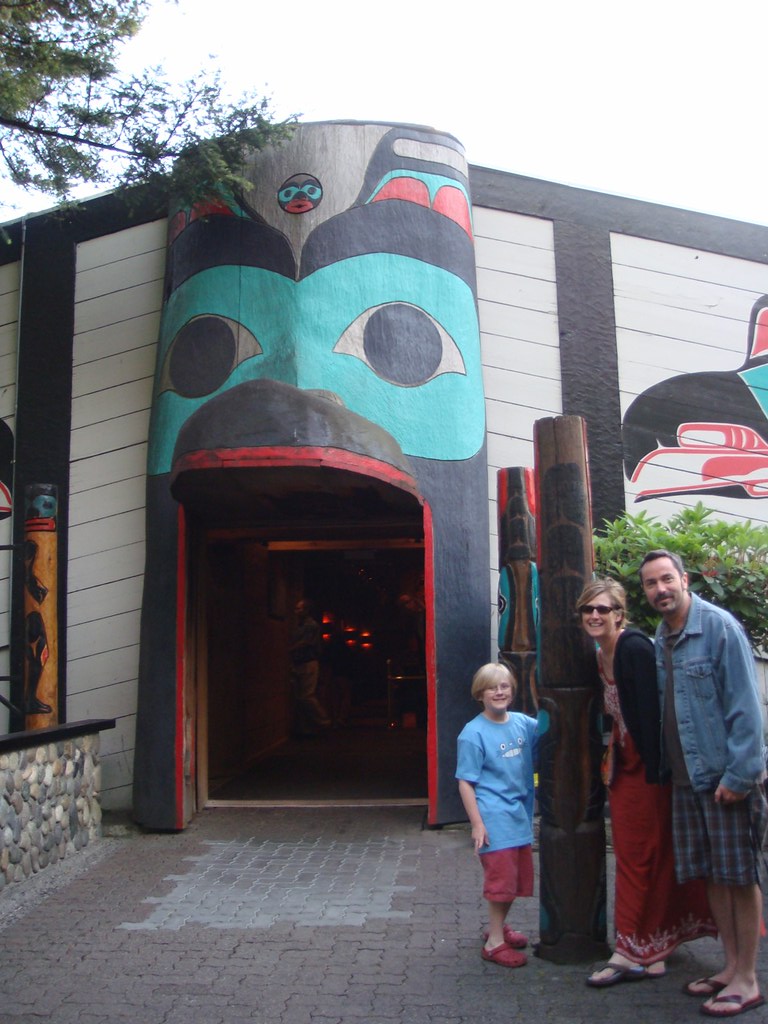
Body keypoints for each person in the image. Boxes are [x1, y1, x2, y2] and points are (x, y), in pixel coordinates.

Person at [639, 550, 767, 1018]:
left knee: (740, 876)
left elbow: (747, 709)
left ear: (685, 579)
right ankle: (730, 967)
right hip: (687, 778)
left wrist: (741, 775)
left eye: (666, 579)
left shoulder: (719, 628)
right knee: (714, 876)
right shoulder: (662, 636)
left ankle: (749, 979)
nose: (660, 590)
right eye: (651, 584)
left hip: (724, 777)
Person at [577, 578, 716, 988]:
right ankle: (655, 944)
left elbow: (658, 713)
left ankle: (629, 949)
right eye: (588, 610)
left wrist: (661, 771)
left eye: (603, 609)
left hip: (651, 766)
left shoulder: (633, 648)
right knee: (643, 854)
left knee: (642, 856)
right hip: (625, 761)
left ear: (620, 614)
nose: (595, 616)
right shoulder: (597, 654)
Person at [455, 662, 538, 968]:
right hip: (494, 817)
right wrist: (477, 823)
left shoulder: (521, 724)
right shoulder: (473, 733)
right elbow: (465, 781)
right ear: (480, 693)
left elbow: (548, 726)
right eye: (492, 687)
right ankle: (494, 943)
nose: (499, 692)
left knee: (514, 879)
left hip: (519, 815)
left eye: (504, 686)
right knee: (501, 879)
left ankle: (496, 927)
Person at [290, 599, 330, 735]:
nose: (296, 611)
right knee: (299, 697)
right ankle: (306, 728)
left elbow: (306, 642)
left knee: (306, 695)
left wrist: (289, 649)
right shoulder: (299, 626)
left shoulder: (311, 625)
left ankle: (323, 721)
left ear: (306, 611)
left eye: (299, 609)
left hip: (308, 662)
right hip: (299, 662)